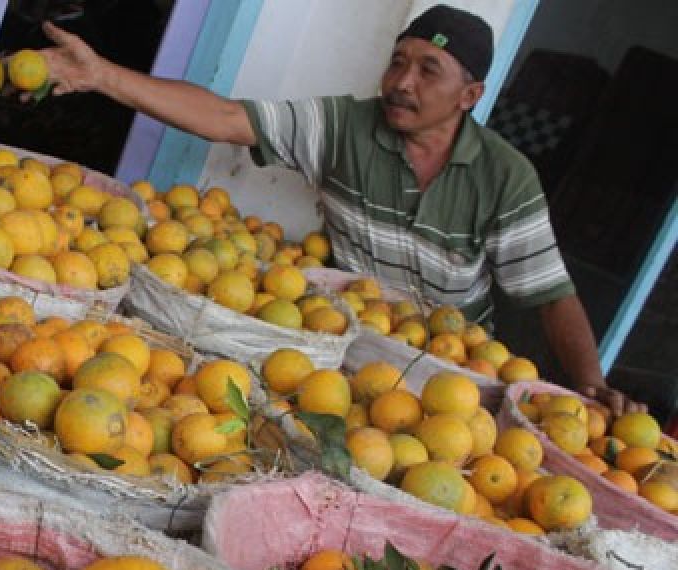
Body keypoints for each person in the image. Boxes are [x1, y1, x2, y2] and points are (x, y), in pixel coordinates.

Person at [38, 5, 644, 415]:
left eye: (427, 70)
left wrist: (591, 386)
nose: (402, 82)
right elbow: (228, 118)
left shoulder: (504, 175)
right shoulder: (345, 126)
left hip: (444, 380)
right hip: (338, 349)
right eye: (398, 61)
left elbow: (549, 293)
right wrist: (104, 77)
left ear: (470, 95)